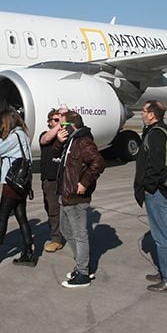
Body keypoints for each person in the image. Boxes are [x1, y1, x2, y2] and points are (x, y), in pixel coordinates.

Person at [135, 99, 167, 293]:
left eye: (144, 111)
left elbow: (156, 164)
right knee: (160, 234)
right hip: (160, 190)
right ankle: (165, 272)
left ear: (152, 114)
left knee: (163, 237)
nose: (142, 114)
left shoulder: (156, 134)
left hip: (157, 192)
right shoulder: (162, 131)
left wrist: (149, 187)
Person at [56, 111, 106, 288]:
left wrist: (84, 183)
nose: (59, 128)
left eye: (62, 125)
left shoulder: (83, 142)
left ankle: (84, 273)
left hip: (76, 197)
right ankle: (82, 264)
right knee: (65, 229)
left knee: (79, 234)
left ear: (72, 125)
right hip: (66, 194)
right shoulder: (72, 141)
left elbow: (98, 163)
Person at [0, 109, 35, 268]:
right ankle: (29, 252)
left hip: (12, 184)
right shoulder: (24, 136)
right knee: (21, 217)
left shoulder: (14, 137)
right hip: (22, 184)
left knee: (2, 217)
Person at [40, 109, 65, 253]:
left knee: (55, 209)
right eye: (55, 120)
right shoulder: (46, 135)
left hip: (60, 178)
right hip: (48, 178)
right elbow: (46, 140)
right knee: (49, 208)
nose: (59, 122)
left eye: (60, 119)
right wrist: (59, 125)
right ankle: (56, 233)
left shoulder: (65, 136)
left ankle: (57, 239)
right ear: (50, 123)